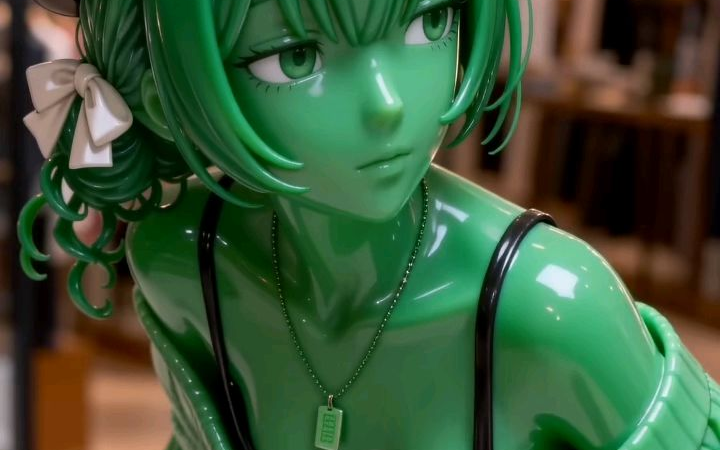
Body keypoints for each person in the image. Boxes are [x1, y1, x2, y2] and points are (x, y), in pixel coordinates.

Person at [19, 0, 719, 449]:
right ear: (162, 98)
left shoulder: (555, 311)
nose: (387, 103)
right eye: (295, 57)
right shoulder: (183, 263)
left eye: (427, 22)